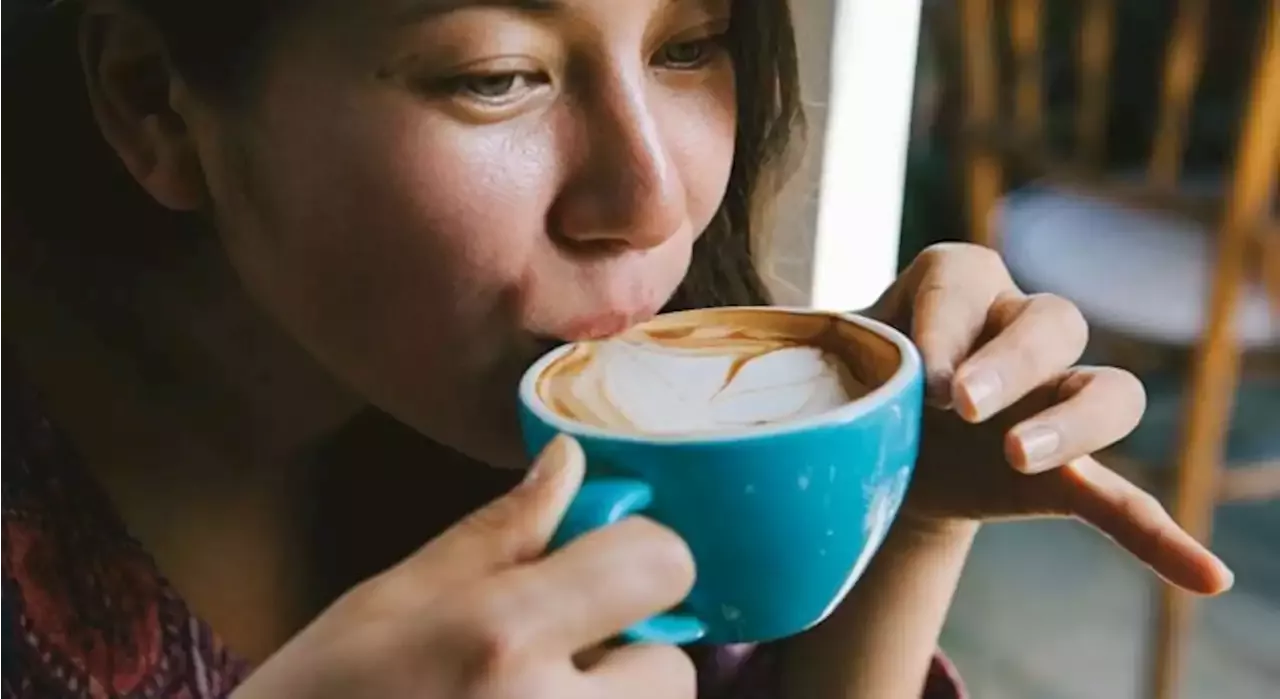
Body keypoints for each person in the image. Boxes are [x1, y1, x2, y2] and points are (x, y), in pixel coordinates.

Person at [0, 0, 1234, 697]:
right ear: (157, 102)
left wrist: (900, 519)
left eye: (689, 46)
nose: (651, 201)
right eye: (495, 77)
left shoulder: (574, 436)